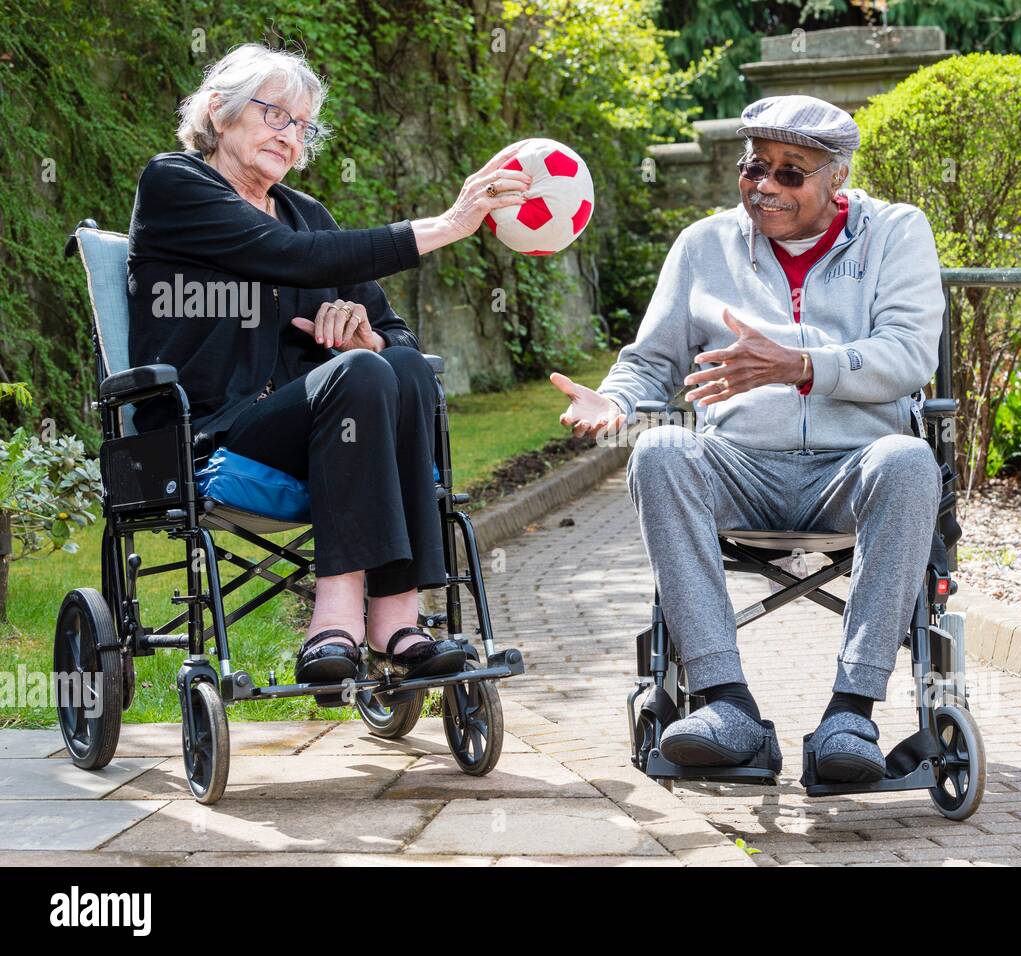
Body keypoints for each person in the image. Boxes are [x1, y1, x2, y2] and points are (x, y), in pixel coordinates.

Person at [550, 94, 945, 783]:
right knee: (661, 449)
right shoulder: (705, 244)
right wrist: (615, 398)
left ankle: (851, 714)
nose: (765, 186)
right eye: (755, 167)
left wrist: (800, 365)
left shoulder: (896, 233)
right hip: (741, 466)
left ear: (837, 179)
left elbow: (910, 354)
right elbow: (652, 361)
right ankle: (726, 706)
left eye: (791, 173)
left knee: (910, 459)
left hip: (852, 471)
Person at [128, 43, 529, 691]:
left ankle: (396, 618)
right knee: (367, 376)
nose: (291, 137)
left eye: (302, 126)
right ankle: (333, 618)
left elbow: (393, 333)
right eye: (275, 115)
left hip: (320, 441)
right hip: (212, 435)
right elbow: (290, 257)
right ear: (219, 113)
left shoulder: (306, 214)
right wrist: (453, 225)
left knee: (399, 368)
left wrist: (366, 339)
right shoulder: (175, 185)